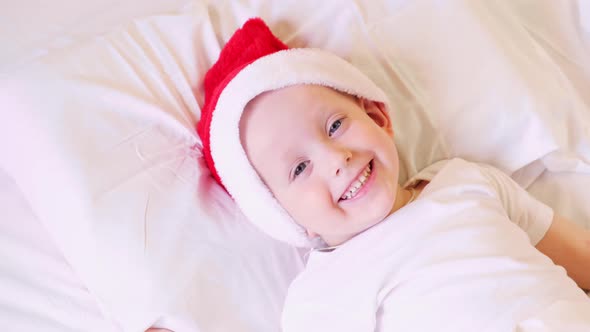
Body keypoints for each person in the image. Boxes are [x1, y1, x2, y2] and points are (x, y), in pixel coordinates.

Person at [195, 18, 590, 332]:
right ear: (283, 216)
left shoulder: (466, 182)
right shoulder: (320, 296)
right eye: (299, 168)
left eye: (334, 126)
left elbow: (582, 258)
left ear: (377, 116)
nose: (337, 158)